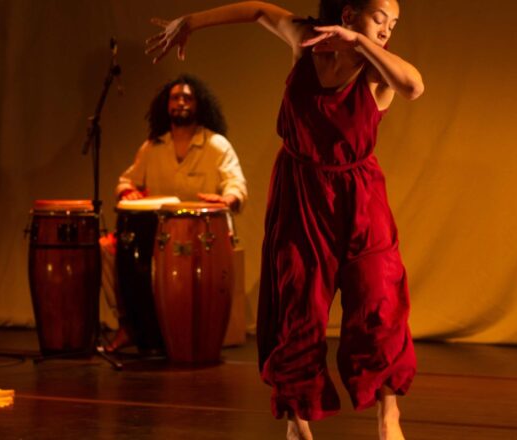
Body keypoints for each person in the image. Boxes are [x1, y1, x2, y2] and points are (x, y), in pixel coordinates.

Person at [146, 1, 423, 439]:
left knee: (379, 298)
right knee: (299, 305)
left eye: (394, 23)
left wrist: (359, 41)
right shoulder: (306, 40)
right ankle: (297, 420)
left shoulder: (376, 70)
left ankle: (389, 415)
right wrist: (190, 23)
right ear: (348, 12)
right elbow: (258, 11)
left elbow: (412, 86)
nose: (388, 29)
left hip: (359, 196)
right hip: (301, 192)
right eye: (378, 18)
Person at [102, 74, 248, 351]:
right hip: (156, 235)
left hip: (203, 236)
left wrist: (225, 199)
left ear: (199, 105)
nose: (181, 102)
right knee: (108, 249)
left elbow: (236, 186)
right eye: (175, 97)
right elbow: (125, 181)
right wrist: (127, 192)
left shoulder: (216, 145)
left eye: (187, 97)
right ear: (165, 105)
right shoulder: (153, 147)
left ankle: (190, 332)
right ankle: (128, 324)